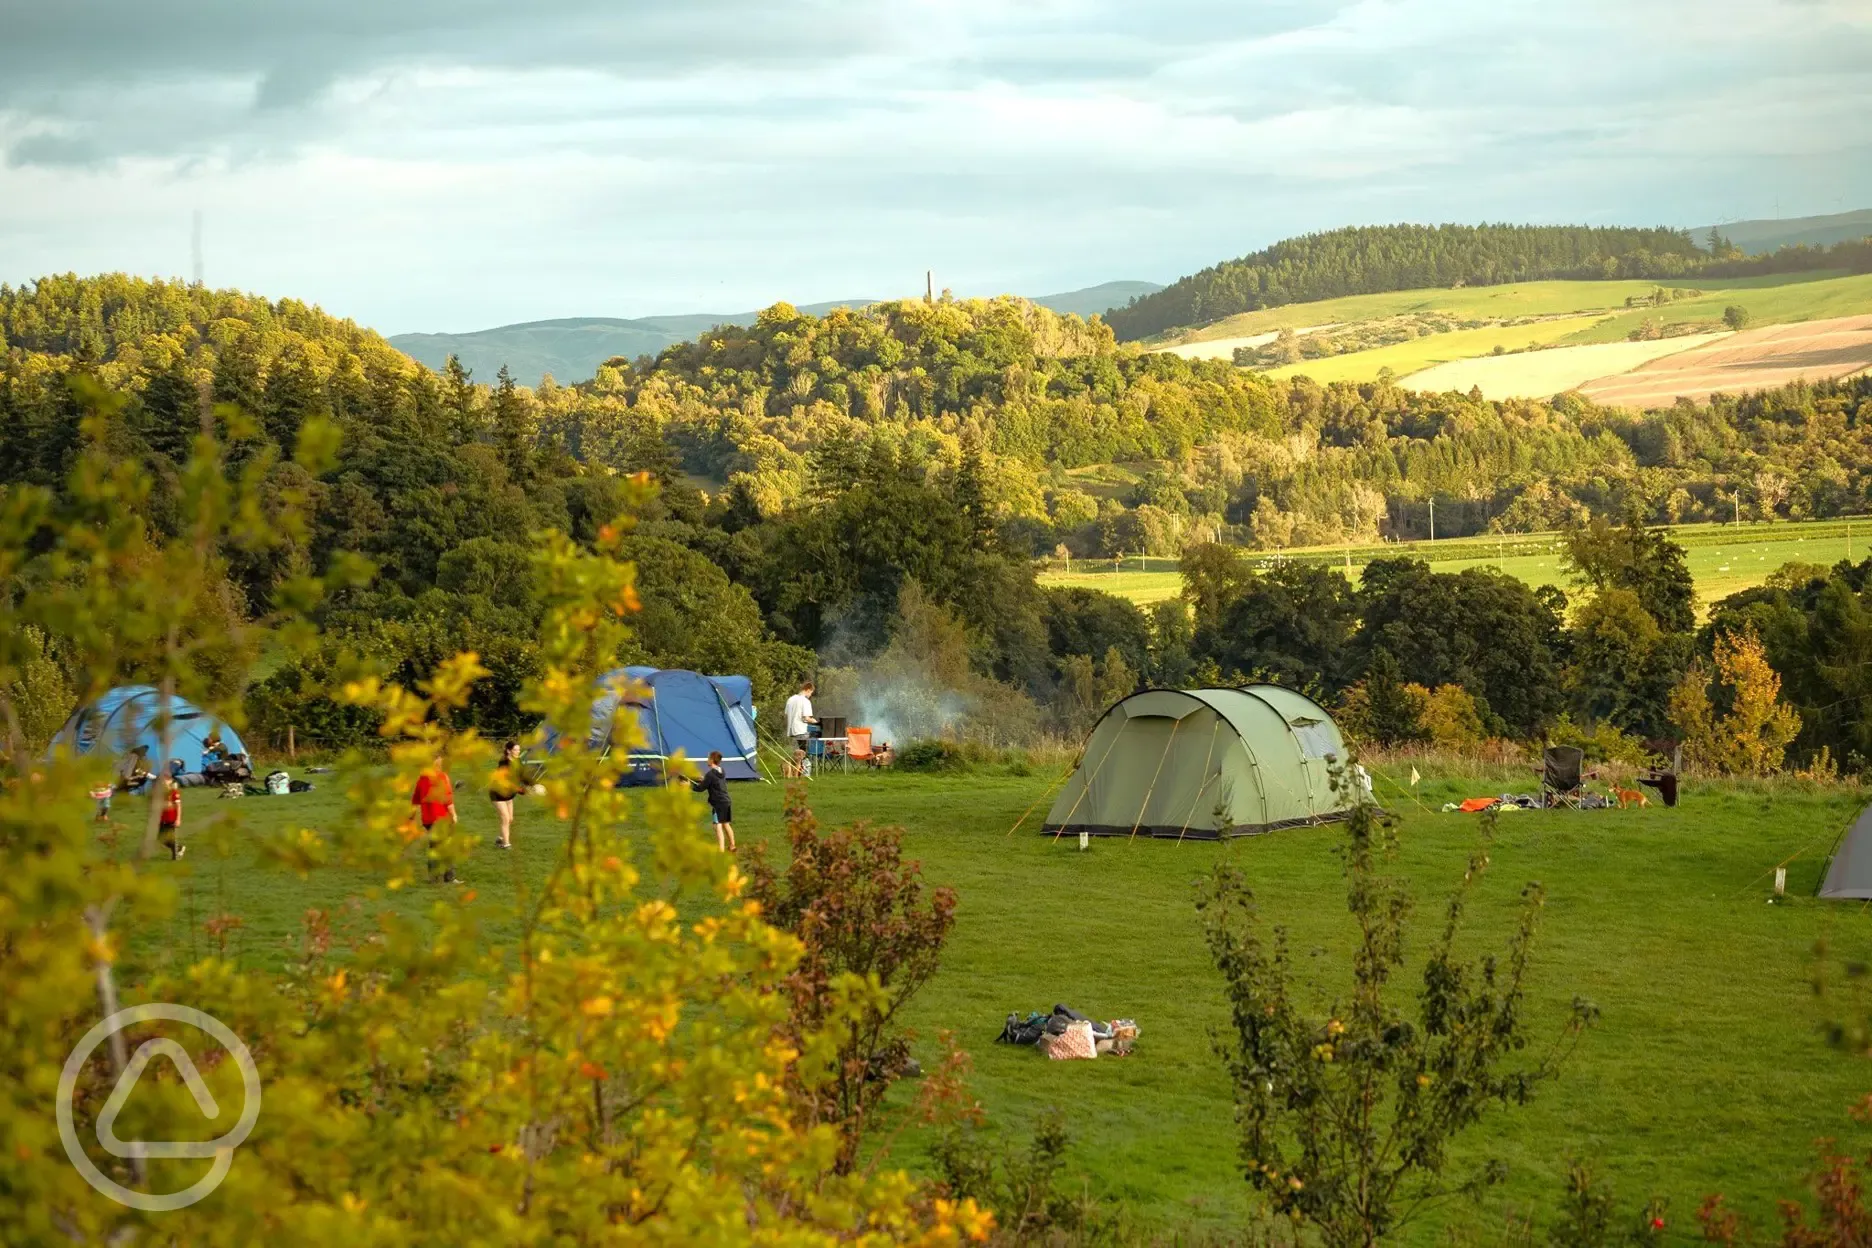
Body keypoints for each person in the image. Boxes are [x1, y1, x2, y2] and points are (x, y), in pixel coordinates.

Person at [412, 752, 461, 883]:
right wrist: (454, 814)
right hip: (441, 818)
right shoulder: (442, 776)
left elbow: (416, 799)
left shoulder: (422, 778)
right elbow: (448, 800)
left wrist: (412, 817)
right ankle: (449, 877)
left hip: (428, 820)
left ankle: (433, 878)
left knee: (434, 847)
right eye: (439, 761)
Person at [689, 750, 736, 852]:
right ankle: (732, 846)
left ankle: (721, 851)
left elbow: (700, 788)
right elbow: (714, 781)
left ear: (712, 760)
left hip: (718, 803)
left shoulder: (710, 774)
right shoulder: (721, 771)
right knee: (726, 824)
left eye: (708, 758)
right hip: (726, 801)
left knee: (717, 825)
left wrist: (688, 785)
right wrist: (704, 779)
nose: (707, 759)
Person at [489, 740, 523, 849]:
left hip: (509, 795)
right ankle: (506, 844)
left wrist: (532, 786)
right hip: (498, 793)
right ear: (508, 751)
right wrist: (518, 789)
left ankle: (500, 838)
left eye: (519, 750)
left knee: (510, 819)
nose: (518, 752)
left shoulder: (518, 761)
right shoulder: (504, 763)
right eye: (515, 750)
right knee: (505, 818)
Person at [784, 680, 817, 776]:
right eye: (811, 692)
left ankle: (791, 773)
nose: (810, 695)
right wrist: (815, 721)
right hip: (801, 730)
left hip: (791, 731)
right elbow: (806, 718)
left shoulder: (790, 699)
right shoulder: (805, 701)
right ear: (807, 689)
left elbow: (786, 714)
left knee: (794, 755)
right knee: (803, 755)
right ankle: (804, 773)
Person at [158, 773, 186, 860]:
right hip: (163, 818)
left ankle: (175, 856)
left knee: (171, 838)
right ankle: (179, 848)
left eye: (165, 780)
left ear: (170, 781)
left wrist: (178, 819)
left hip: (171, 819)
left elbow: (178, 806)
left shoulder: (174, 792)